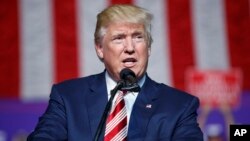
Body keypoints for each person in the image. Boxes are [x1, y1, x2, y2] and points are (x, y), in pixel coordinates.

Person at [27, 4, 203, 141]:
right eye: (119, 38)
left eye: (138, 37)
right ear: (100, 49)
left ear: (148, 47)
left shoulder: (180, 106)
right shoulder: (67, 98)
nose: (130, 48)